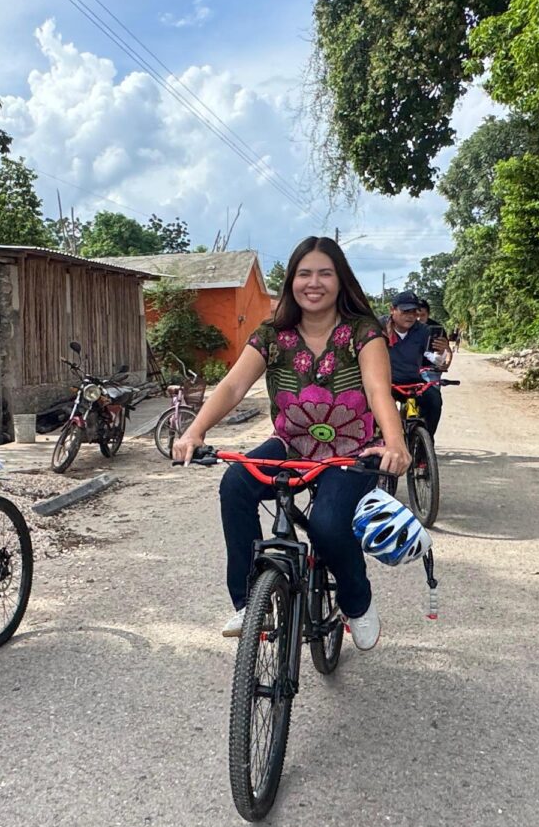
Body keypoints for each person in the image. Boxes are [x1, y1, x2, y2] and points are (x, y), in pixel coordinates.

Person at [173, 237, 410, 648]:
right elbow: (232, 387)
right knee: (236, 484)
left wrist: (394, 442)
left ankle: (356, 601)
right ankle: (251, 603)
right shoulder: (273, 335)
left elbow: (377, 390)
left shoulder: (362, 331)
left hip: (353, 452)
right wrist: (195, 431)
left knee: (328, 525)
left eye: (324, 273)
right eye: (304, 274)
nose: (313, 283)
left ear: (340, 281)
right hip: (291, 445)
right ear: (291, 282)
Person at [385, 291, 449, 433]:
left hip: (413, 383)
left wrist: (442, 353)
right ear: (392, 309)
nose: (410, 316)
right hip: (386, 384)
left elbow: (436, 360)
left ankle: (425, 446)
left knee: (434, 400)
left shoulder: (423, 331)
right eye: (405, 311)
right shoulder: (378, 328)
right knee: (372, 406)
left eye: (414, 312)